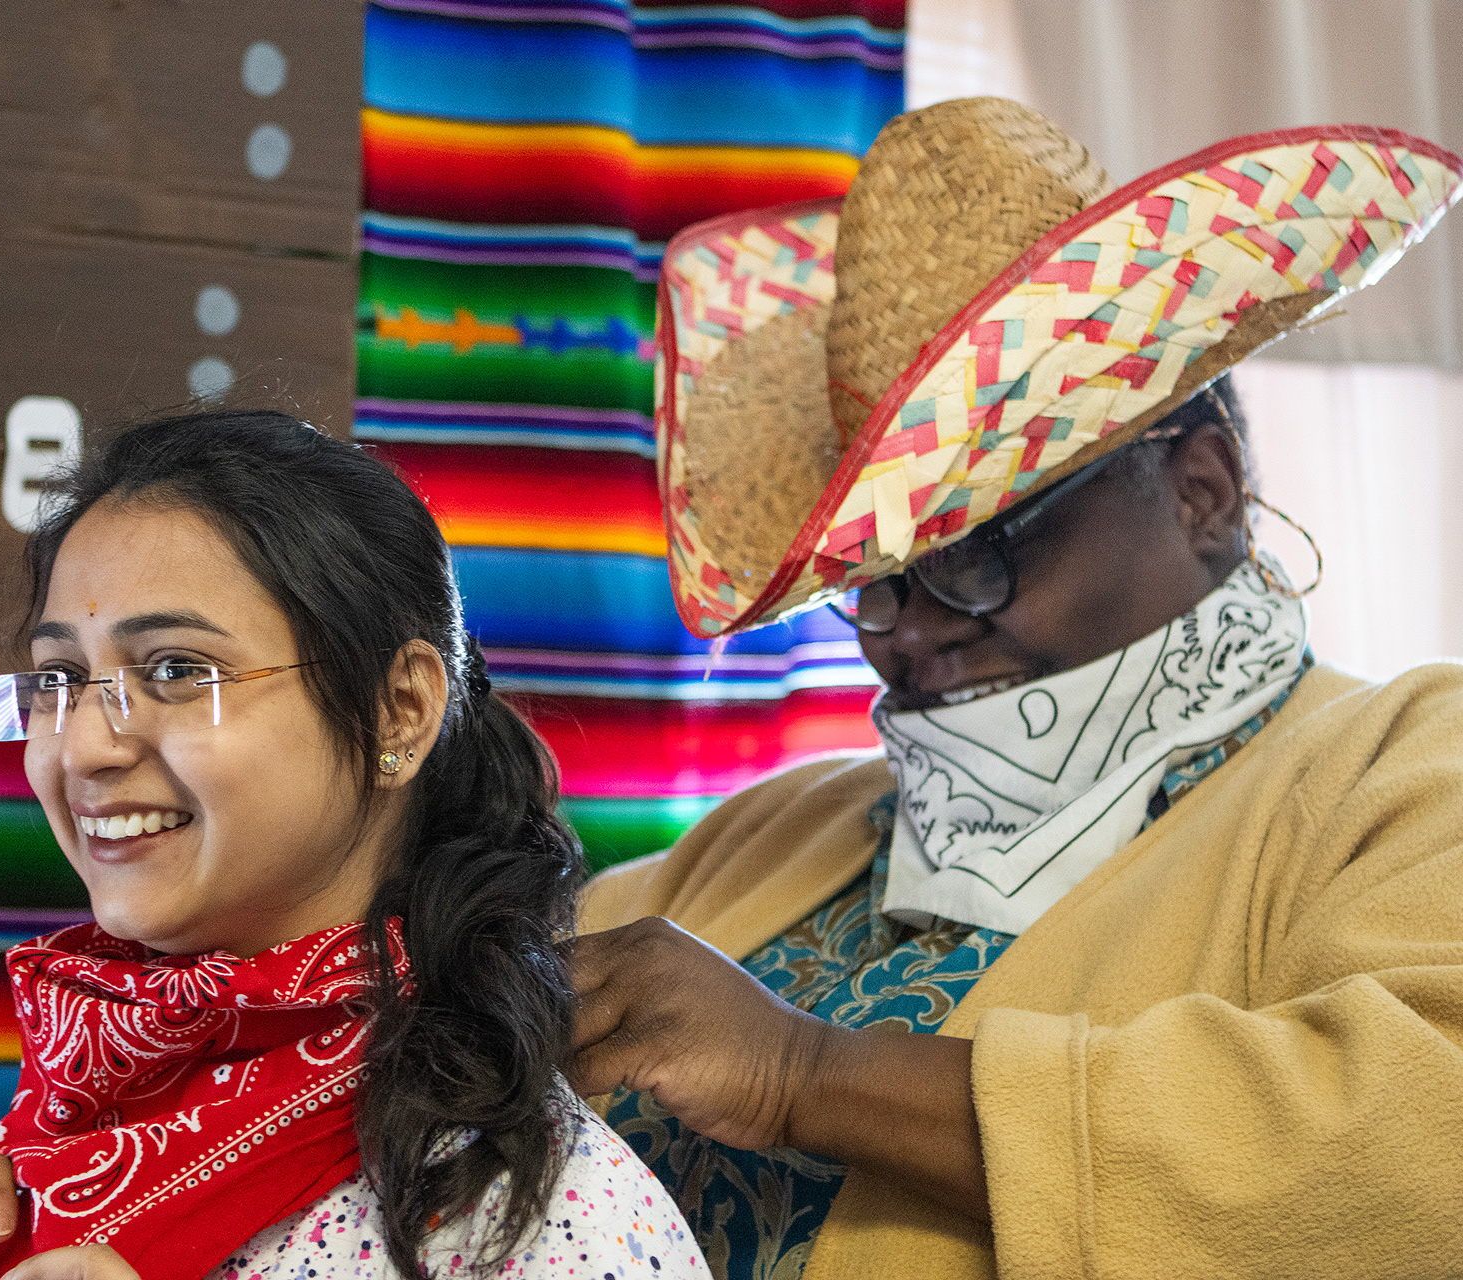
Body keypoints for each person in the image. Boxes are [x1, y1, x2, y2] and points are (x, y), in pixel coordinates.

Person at [570, 98, 1463, 1279]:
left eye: (978, 555)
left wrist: (803, 1072)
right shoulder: (784, 829)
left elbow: (1412, 1158)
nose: (913, 636)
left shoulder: (1404, 764)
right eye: (874, 584)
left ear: (1203, 489)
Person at [0, 409, 709, 1280]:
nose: (81, 746)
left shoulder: (531, 1219)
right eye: (60, 678)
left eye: (175, 670)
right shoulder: (62, 1129)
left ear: (399, 709)